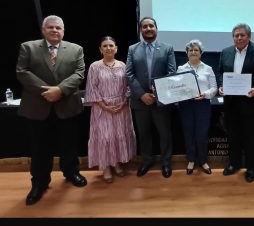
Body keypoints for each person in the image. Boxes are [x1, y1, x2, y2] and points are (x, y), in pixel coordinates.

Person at [16, 15, 87, 206]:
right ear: (43, 30)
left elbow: (79, 73)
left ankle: (71, 172)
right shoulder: (28, 47)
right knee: (39, 148)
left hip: (67, 106)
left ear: (63, 31)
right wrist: (48, 91)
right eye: (51, 27)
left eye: (58, 28)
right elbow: (22, 72)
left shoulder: (76, 49)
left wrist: (60, 90)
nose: (55, 30)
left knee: (69, 144)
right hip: (38, 107)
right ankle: (39, 183)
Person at [217, 23, 254, 183]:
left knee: (250, 136)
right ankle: (233, 164)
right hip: (231, 103)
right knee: (233, 135)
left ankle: (251, 167)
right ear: (233, 37)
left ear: (249, 36)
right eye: (236, 35)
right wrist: (221, 85)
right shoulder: (226, 52)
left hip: (251, 101)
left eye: (242, 35)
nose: (239, 38)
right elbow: (220, 73)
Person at [126, 17, 176, 178]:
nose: (148, 28)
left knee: (164, 133)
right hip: (140, 102)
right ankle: (146, 160)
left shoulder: (167, 48)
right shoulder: (133, 49)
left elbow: (172, 73)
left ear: (156, 28)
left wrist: (157, 93)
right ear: (141, 30)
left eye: (151, 26)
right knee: (144, 133)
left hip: (161, 101)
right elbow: (128, 74)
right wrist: (141, 94)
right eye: (145, 26)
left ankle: (166, 162)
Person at [84, 36, 136, 183]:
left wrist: (124, 101)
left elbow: (128, 87)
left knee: (118, 135)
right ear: (100, 50)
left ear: (116, 48)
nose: (108, 48)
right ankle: (106, 166)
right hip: (102, 108)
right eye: (105, 46)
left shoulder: (123, 65)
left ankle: (117, 163)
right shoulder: (95, 66)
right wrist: (104, 106)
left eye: (111, 45)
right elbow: (92, 89)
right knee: (105, 138)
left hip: (121, 108)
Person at [177, 39, 217, 175]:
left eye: (196, 50)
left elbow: (214, 88)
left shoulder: (208, 69)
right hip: (186, 105)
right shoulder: (181, 69)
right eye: (190, 50)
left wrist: (204, 94)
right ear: (187, 53)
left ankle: (203, 160)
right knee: (188, 133)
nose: (193, 52)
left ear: (201, 53)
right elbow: (177, 88)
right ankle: (191, 160)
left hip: (203, 104)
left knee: (201, 133)